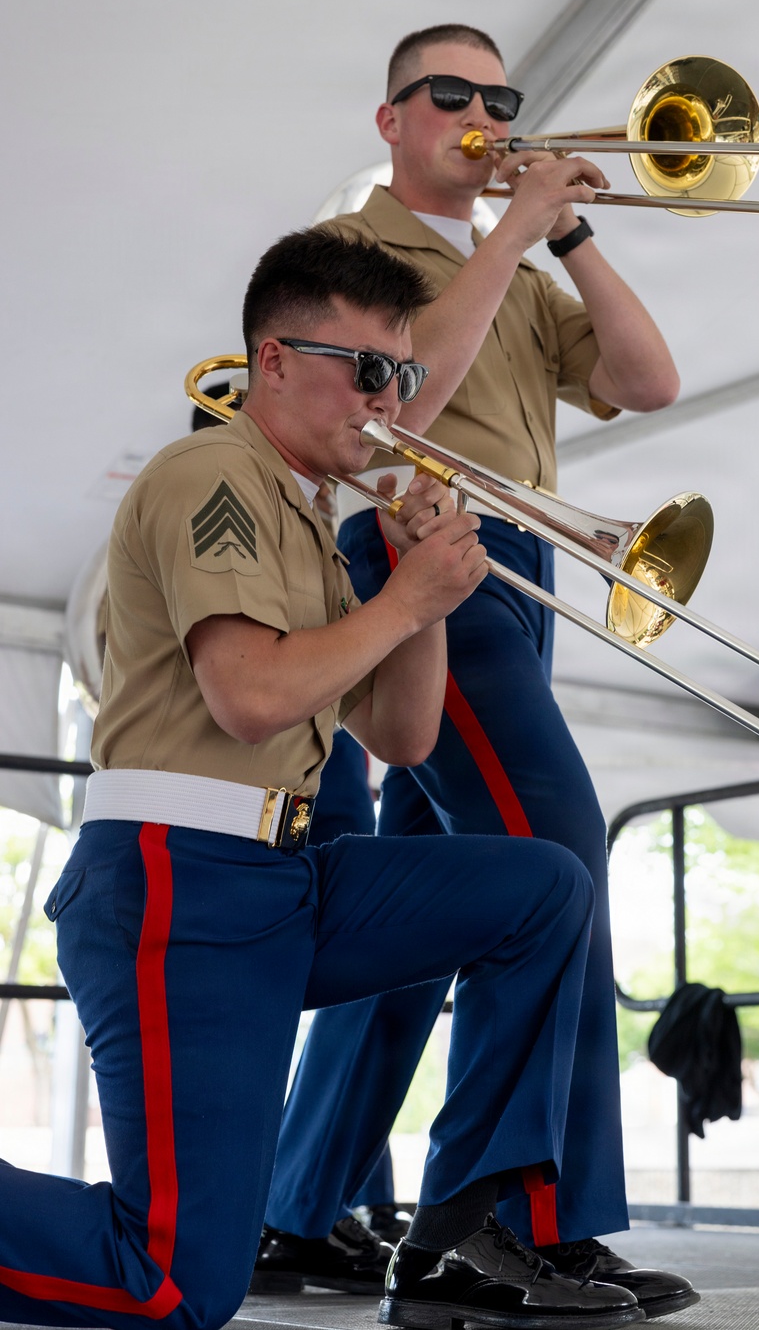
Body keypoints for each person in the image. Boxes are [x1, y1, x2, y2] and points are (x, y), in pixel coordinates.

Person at [0, 228, 661, 1330]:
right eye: (364, 371)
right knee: (171, 1286)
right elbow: (250, 696)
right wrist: (401, 602)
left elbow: (401, 737)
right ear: (270, 361)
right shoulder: (211, 472)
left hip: (285, 876)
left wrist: (424, 593)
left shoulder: (316, 516)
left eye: (401, 374)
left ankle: (459, 1225)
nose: (389, 401)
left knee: (544, 884)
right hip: (180, 886)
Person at [259, 24, 694, 1318]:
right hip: (422, 548)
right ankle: (501, 1219)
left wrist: (565, 232)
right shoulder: (359, 254)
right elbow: (399, 403)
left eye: (499, 95)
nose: (480, 111)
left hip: (523, 566)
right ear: (389, 118)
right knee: (554, 848)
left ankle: (297, 1204)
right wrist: (511, 234)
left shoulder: (503, 260)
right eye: (447, 91)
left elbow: (649, 377)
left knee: (430, 898)